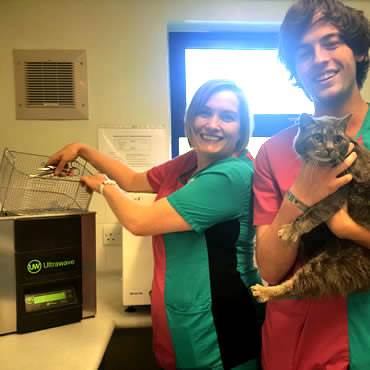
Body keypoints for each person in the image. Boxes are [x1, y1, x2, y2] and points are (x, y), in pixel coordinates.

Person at [48, 79, 264, 370]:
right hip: (177, 311)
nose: (213, 124)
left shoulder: (230, 176)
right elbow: (133, 180)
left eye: (227, 116)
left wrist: (103, 187)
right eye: (204, 112)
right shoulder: (190, 162)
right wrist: (82, 149)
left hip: (221, 317)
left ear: (241, 128)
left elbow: (139, 221)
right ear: (190, 118)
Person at [253, 0, 370, 369]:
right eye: (304, 52)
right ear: (295, 70)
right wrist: (301, 194)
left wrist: (348, 229)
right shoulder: (274, 152)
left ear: (361, 51)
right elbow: (270, 269)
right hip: (303, 341)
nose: (319, 58)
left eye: (332, 42)